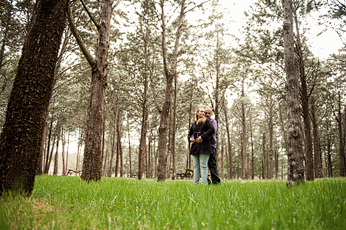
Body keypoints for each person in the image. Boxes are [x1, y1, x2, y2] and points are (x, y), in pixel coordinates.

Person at [188, 108, 215, 185]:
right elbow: (189, 134)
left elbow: (212, 129)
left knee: (203, 166)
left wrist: (202, 137)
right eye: (201, 111)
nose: (203, 113)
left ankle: (204, 184)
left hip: (205, 147)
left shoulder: (207, 122)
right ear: (197, 113)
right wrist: (190, 139)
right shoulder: (194, 124)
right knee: (196, 166)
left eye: (204, 112)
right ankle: (195, 184)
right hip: (195, 147)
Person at [204, 107, 221, 185]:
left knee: (212, 164)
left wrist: (202, 137)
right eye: (205, 113)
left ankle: (216, 182)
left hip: (211, 145)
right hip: (202, 146)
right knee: (203, 164)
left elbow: (212, 131)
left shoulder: (213, 121)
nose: (207, 114)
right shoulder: (199, 121)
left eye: (209, 113)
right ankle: (206, 181)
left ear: (211, 114)